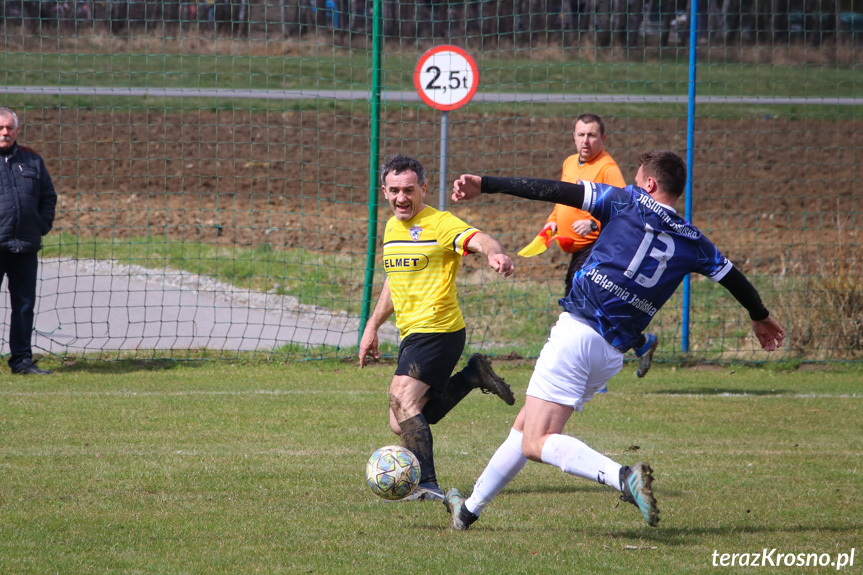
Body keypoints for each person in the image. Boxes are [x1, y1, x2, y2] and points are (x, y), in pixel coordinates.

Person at [444, 150, 786, 529]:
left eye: (639, 179)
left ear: (650, 184)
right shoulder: (695, 241)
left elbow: (554, 190)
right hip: (611, 353)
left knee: (536, 441)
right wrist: (760, 316)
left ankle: (621, 476)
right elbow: (733, 277)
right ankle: (469, 509)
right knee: (527, 425)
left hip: (577, 333)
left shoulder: (626, 201)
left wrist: (486, 184)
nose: (634, 184)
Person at [359, 154, 516, 501]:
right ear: (384, 191)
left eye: (409, 190)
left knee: (401, 397)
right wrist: (372, 325)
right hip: (412, 333)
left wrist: (495, 254)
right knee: (400, 421)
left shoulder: (439, 224)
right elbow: (393, 279)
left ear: (423, 189)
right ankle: (472, 376)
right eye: (395, 190)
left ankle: (426, 484)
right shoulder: (391, 228)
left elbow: (479, 238)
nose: (402, 197)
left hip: (439, 330)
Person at [530, 114, 658, 378]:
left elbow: (626, 211)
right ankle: (641, 343)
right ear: (573, 137)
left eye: (591, 135)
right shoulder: (569, 162)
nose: (585, 141)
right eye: (581, 135)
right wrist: (553, 222)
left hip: (596, 247)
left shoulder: (607, 168)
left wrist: (594, 225)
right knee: (594, 306)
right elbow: (562, 199)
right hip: (574, 248)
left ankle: (585, 368)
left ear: (602, 138)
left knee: (578, 303)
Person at [0, 107, 57, 375]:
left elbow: (48, 196)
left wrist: (41, 224)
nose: (5, 132)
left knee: (23, 307)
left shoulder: (32, 160)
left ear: (17, 130)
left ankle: (21, 361)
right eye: (1, 127)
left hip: (25, 246)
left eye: (10, 127)